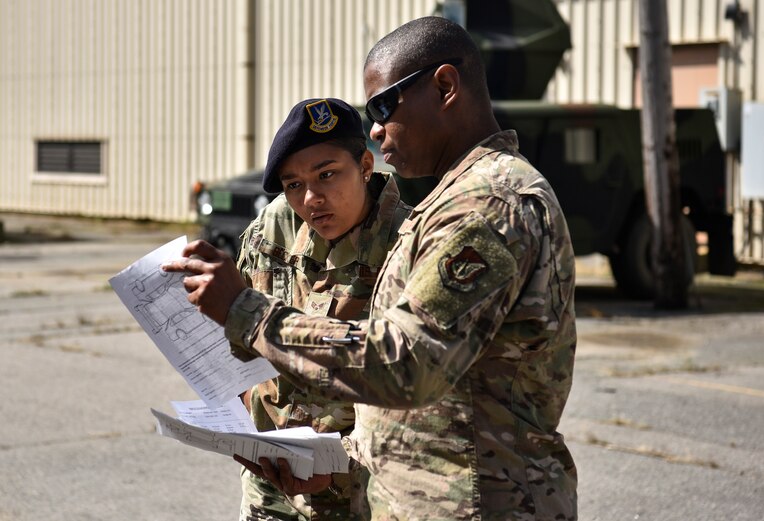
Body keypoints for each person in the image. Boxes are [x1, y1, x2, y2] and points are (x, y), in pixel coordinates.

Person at [164, 16, 577, 520]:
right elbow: (423, 412)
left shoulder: (489, 204)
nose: (377, 127)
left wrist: (246, 312)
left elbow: (407, 362)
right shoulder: (454, 201)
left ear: (445, 86)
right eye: (293, 185)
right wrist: (339, 461)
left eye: (384, 105)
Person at [226, 97, 412, 520]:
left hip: (365, 494)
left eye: (327, 174)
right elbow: (236, 337)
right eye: (293, 185)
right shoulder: (271, 230)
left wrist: (339, 465)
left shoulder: (409, 243)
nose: (311, 198)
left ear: (365, 165)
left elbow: (418, 395)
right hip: (270, 483)